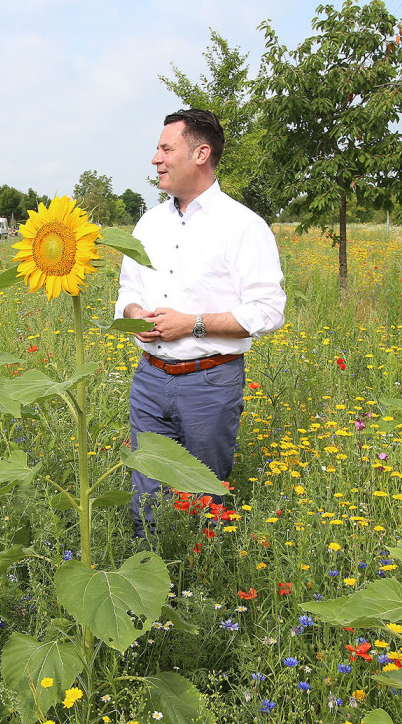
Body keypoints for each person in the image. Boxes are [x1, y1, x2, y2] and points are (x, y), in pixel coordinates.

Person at [115, 108, 286, 539]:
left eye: (165, 148)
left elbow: (267, 311)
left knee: (203, 497)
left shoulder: (243, 226)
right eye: (157, 148)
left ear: (200, 153)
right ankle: (149, 575)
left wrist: (190, 325)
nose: (155, 158)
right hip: (150, 380)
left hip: (209, 384)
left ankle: (201, 591)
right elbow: (127, 294)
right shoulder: (149, 223)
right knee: (146, 497)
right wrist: (136, 316)